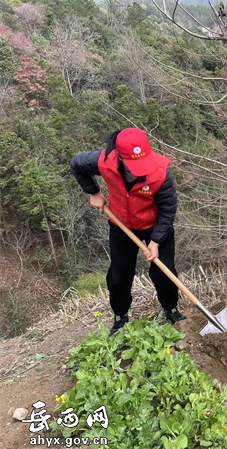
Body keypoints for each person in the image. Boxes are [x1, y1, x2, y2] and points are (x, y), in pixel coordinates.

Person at [70, 128, 186, 335]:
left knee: (164, 273)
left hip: (156, 225)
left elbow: (168, 209)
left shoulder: (160, 173)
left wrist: (156, 241)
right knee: (119, 276)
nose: (140, 170)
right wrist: (93, 192)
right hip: (121, 225)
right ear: (120, 157)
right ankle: (120, 316)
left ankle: (171, 310)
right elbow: (77, 163)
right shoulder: (104, 161)